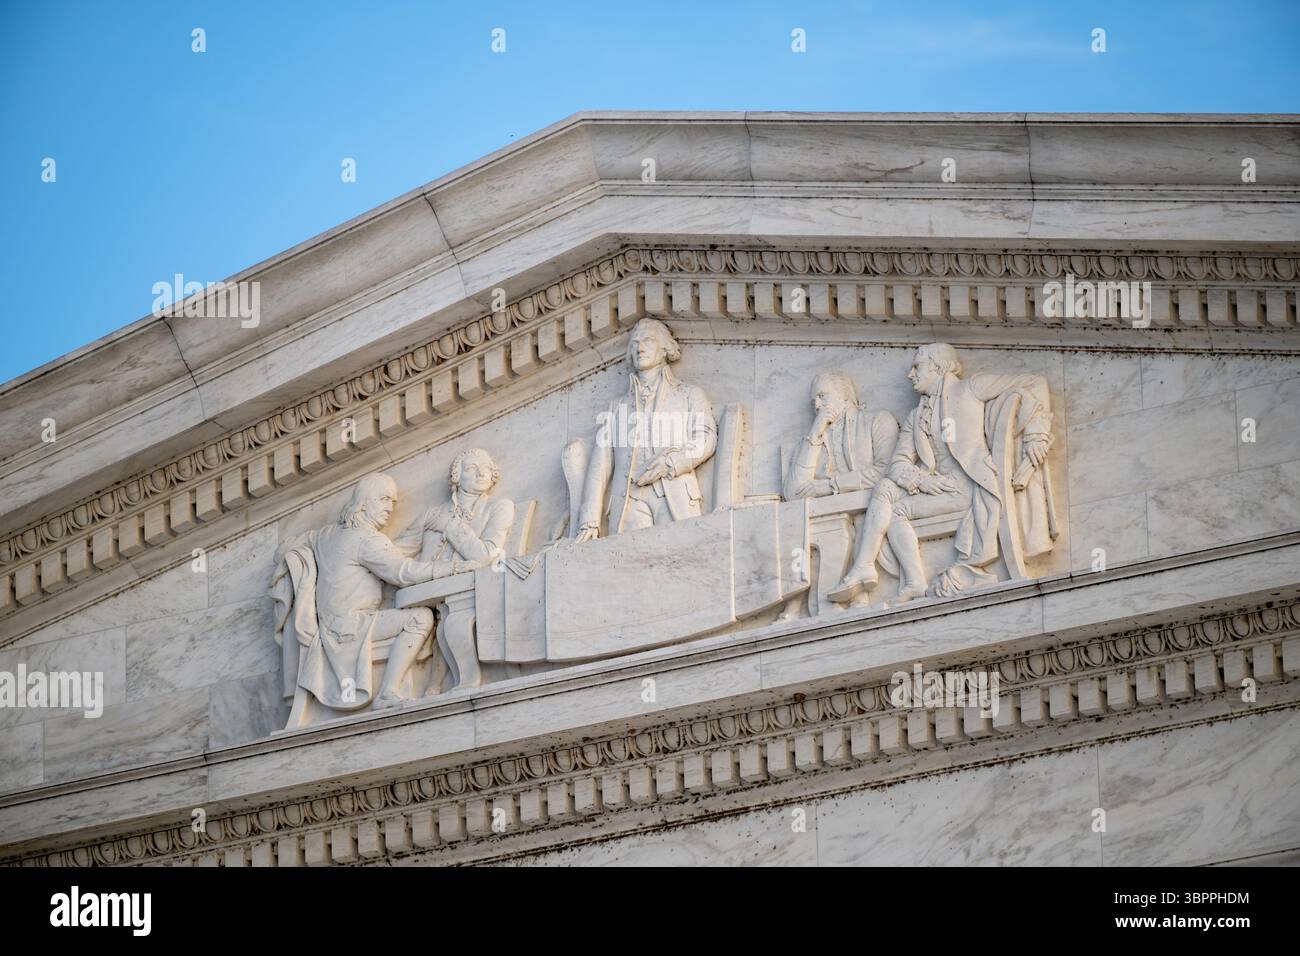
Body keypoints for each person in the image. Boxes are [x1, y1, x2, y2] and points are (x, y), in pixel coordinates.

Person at [827, 344, 1052, 605]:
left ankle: (878, 570)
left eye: (917, 367)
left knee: (893, 507)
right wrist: (924, 479)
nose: (910, 375)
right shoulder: (915, 416)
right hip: (938, 489)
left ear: (938, 366)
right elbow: (897, 464)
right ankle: (890, 574)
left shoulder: (971, 388)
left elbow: (1034, 382)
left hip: (972, 488)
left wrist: (1037, 434)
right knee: (886, 489)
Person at [576, 318, 716, 540]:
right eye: (634, 343)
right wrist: (590, 520)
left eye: (648, 341)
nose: (639, 347)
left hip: (675, 493)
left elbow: (706, 438)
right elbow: (600, 464)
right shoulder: (616, 407)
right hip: (630, 501)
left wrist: (671, 462)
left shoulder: (688, 394)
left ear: (664, 349)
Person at [783, 371, 899, 502]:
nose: (817, 405)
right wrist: (815, 434)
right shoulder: (811, 440)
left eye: (822, 396)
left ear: (844, 395)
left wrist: (830, 485)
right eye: (813, 401)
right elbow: (793, 494)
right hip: (822, 516)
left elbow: (889, 471)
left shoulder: (877, 421)